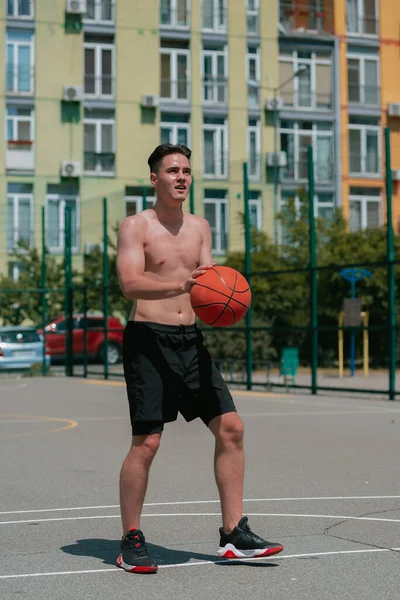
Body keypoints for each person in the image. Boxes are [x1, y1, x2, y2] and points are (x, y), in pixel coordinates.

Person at [116, 143, 284, 574]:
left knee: (231, 428)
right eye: (172, 170)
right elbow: (130, 284)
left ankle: (233, 535)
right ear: (155, 178)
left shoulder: (201, 227)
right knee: (147, 442)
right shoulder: (136, 226)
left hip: (190, 342)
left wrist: (223, 293)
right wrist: (182, 286)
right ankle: (130, 538)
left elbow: (209, 284)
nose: (182, 177)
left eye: (187, 170)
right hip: (147, 343)